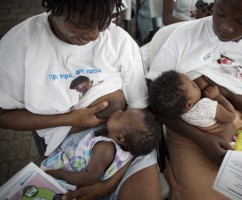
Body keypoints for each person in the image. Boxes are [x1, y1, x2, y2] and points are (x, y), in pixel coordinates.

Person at [0, 0, 161, 199]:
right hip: (68, 154)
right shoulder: (19, 45)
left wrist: (107, 183)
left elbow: (141, 113)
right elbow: (4, 115)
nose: (94, 35)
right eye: (82, 24)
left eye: (103, 22)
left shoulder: (119, 41)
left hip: (128, 148)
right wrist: (70, 119)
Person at [146, 0, 242, 199]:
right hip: (188, 133)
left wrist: (225, 93)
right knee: (199, 194)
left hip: (239, 134)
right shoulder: (184, 36)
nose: (226, 26)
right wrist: (202, 139)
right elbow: (156, 101)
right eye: (221, 13)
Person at [149, 70, 242, 181]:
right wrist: (217, 97)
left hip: (226, 147)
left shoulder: (182, 114)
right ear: (189, 104)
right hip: (237, 144)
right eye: (194, 85)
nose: (194, 82)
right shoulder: (206, 106)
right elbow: (230, 115)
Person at [41, 109, 161, 191]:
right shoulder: (120, 145)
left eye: (119, 116)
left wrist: (61, 174)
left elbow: (89, 177)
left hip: (66, 178)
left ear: (119, 138)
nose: (117, 111)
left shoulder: (106, 149)